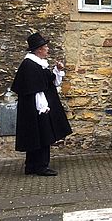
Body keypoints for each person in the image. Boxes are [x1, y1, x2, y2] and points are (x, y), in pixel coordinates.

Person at [11, 32, 72, 176]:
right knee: (42, 135)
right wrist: (42, 106)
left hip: (37, 108)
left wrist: (57, 70)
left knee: (37, 135)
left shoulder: (38, 64)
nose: (47, 49)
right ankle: (40, 166)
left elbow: (49, 82)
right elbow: (35, 89)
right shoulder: (30, 65)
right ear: (38, 49)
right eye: (45, 47)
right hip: (36, 108)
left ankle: (32, 165)